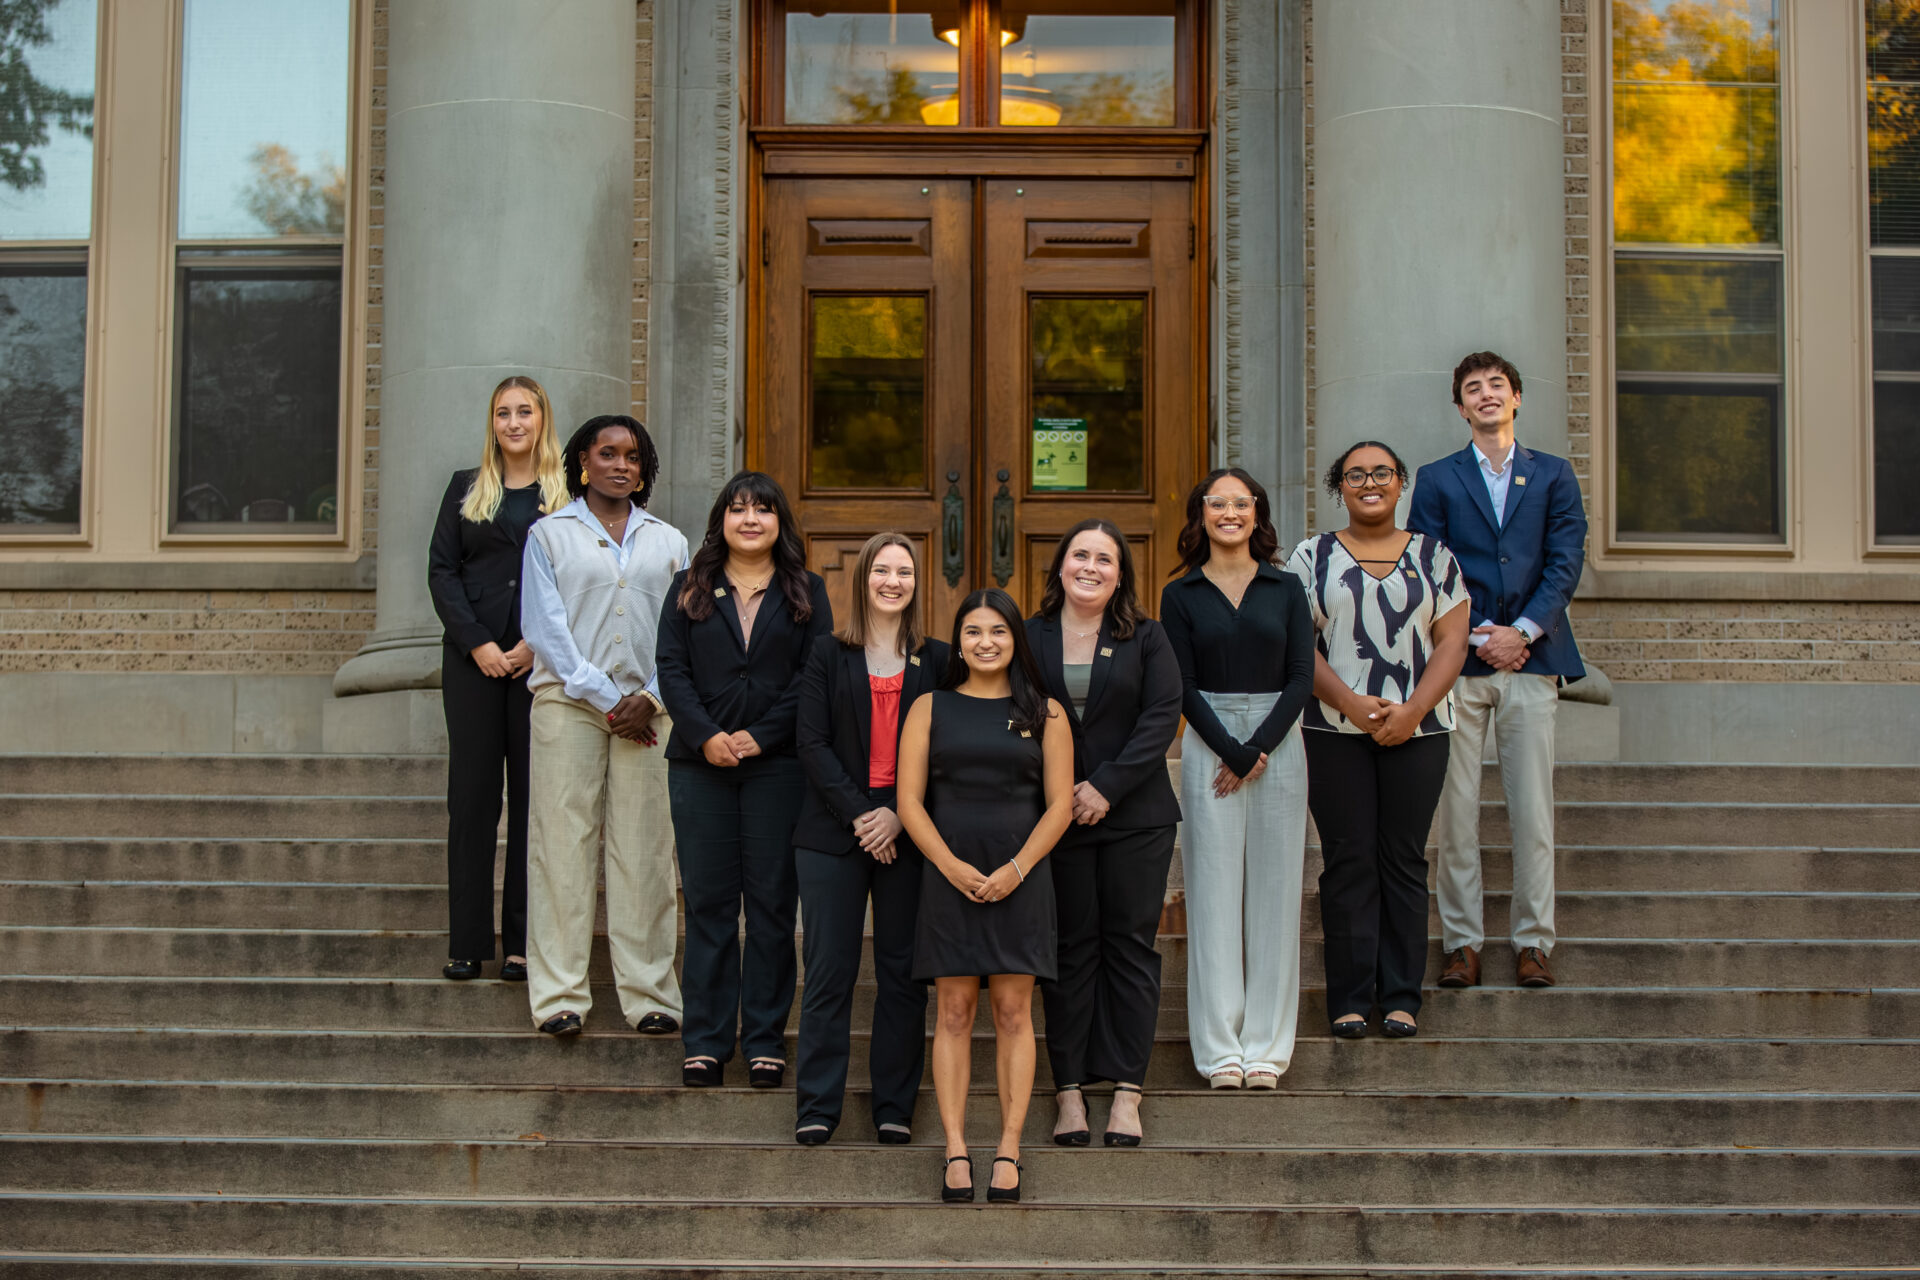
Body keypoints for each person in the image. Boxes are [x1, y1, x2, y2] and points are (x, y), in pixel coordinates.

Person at [1407, 351, 1588, 990]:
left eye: (1497, 385)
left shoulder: (1554, 474)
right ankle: (1462, 944)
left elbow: (1565, 561)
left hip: (1535, 662)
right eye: (1473, 388)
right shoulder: (1436, 479)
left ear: (1516, 399)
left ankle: (1534, 943)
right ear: (1461, 407)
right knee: (1455, 816)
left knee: (1533, 813)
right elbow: (1430, 563)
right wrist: (1482, 632)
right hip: (1458, 666)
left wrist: (1523, 632)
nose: (1486, 394)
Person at [657, 471, 833, 1088]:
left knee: (771, 907)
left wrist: (762, 734)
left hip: (778, 769)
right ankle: (705, 1041)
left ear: (780, 522)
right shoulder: (688, 586)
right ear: (722, 521)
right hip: (698, 766)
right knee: (708, 906)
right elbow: (671, 669)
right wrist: (706, 735)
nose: (750, 519)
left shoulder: (806, 589)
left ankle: (763, 1040)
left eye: (762, 509)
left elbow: (815, 676)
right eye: (738, 509)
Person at [1290, 442, 1471, 1039]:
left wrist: (1412, 711)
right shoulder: (1311, 557)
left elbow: (1452, 642)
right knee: (1348, 861)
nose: (1370, 483)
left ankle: (1400, 997)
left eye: (1382, 473)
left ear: (1400, 483)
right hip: (1332, 731)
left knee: (1403, 859)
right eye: (1355, 475)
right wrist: (1351, 704)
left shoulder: (1435, 556)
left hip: (1421, 732)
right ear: (1338, 487)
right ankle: (1348, 997)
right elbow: (1298, 644)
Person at [899, 589, 1073, 1205]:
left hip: (1021, 878)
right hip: (948, 877)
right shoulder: (930, 706)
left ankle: (1008, 1147)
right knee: (952, 1011)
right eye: (973, 631)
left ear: (1015, 639)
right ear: (959, 641)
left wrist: (1016, 870)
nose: (985, 642)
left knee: (1013, 1012)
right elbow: (909, 802)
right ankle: (954, 1147)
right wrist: (949, 867)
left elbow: (1060, 805)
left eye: (998, 631)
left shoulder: (1046, 712)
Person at [520, 414, 687, 1038]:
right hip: (568, 705)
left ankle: (651, 996)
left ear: (644, 470)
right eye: (608, 453)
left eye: (633, 457)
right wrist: (606, 698)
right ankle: (559, 996)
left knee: (646, 851)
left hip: (649, 712)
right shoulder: (549, 535)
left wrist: (651, 696)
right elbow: (544, 628)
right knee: (562, 849)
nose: (621, 465)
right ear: (583, 462)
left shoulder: (669, 542)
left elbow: (684, 632)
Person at [1159, 468, 1315, 1090]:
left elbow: (1301, 676)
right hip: (1210, 741)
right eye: (1216, 503)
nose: (1229, 513)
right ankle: (1221, 1049)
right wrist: (1231, 749)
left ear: (1257, 512)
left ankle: (1267, 1049)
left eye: (1240, 503)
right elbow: (1181, 685)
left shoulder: (1287, 586)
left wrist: (1258, 748)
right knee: (1214, 894)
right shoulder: (1181, 594)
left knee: (1277, 895)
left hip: (1279, 739)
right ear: (1201, 514)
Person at [1028, 520, 1182, 1148]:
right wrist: (1060, 792)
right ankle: (1068, 1091)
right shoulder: (1029, 636)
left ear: (1120, 575)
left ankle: (1126, 1091)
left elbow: (1162, 716)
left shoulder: (1146, 636)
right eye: (1080, 555)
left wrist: (1106, 786)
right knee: (1068, 950)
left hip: (1136, 818)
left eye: (1105, 559)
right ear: (1061, 565)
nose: (1090, 567)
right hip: (1056, 819)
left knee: (1129, 948)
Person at [792, 533, 949, 1147]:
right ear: (862, 579)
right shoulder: (827, 653)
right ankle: (817, 1105)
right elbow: (811, 742)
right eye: (881, 570)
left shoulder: (938, 660)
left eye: (904, 572)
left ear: (916, 583)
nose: (892, 581)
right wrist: (865, 815)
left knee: (903, 975)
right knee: (828, 971)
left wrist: (900, 816)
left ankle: (894, 1106)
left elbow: (948, 750)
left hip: (909, 834)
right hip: (833, 831)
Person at [427, 375, 567, 983]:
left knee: (535, 802)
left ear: (542, 419)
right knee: (473, 801)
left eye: (524, 412)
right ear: (493, 422)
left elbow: (577, 577)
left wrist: (538, 644)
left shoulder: (567, 493)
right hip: (474, 666)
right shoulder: (466, 487)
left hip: (540, 666)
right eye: (503, 413)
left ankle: (521, 943)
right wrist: (478, 644)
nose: (514, 422)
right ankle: (467, 942)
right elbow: (441, 571)